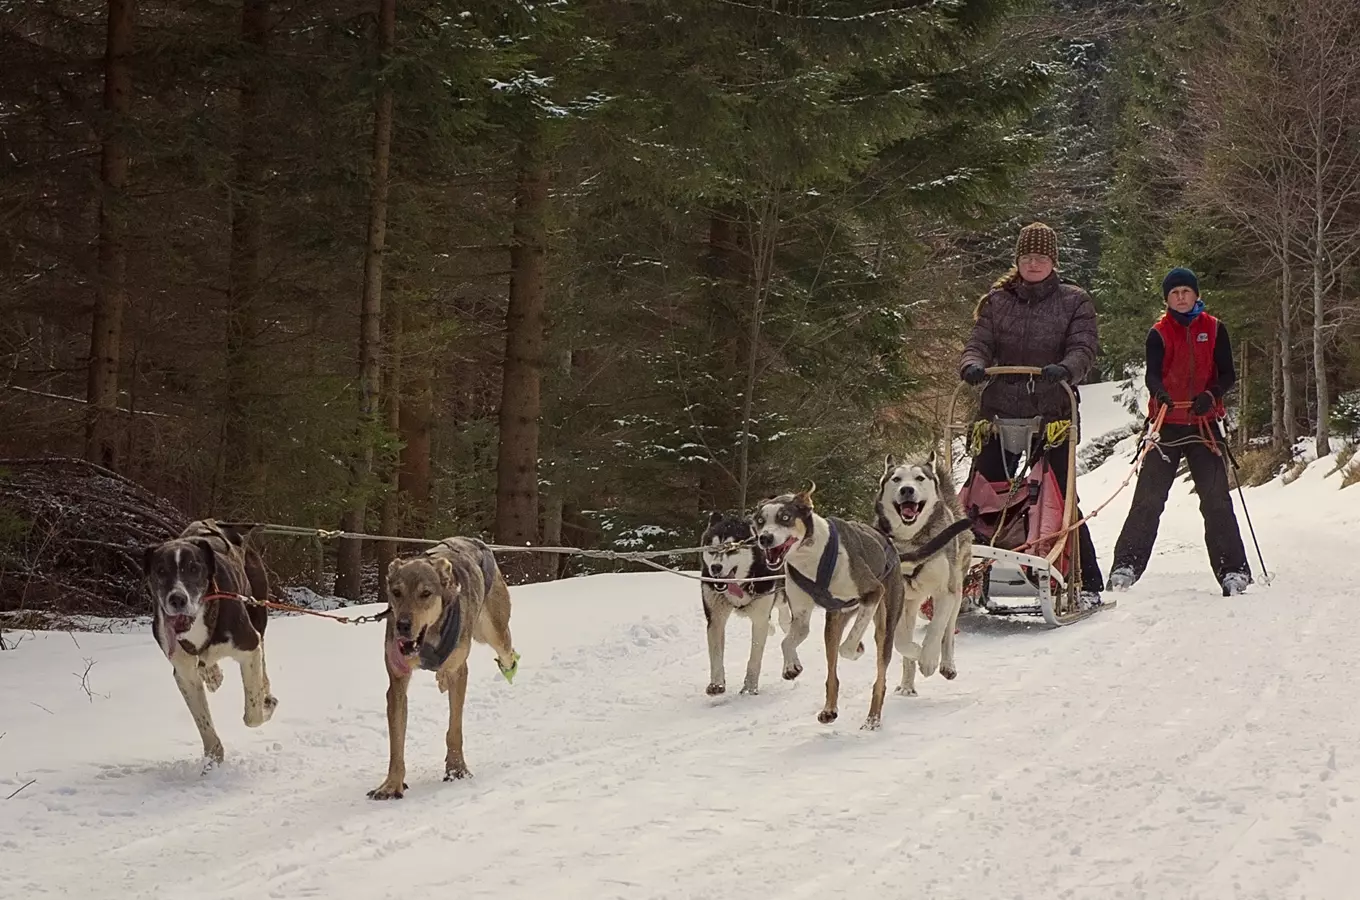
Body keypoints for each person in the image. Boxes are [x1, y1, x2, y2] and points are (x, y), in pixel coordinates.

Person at [958, 221, 1105, 608]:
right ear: (1018, 261)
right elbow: (979, 343)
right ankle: (973, 579)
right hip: (997, 412)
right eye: (1027, 257)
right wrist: (972, 364)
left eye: (1041, 257)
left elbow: (1083, 347)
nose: (1034, 263)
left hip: (1051, 412)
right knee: (983, 497)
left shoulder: (1075, 301)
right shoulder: (996, 302)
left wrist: (1066, 369)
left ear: (1053, 261)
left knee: (1057, 494)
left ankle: (1084, 580)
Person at [1107, 267, 1252, 597]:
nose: (1182, 297)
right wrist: (1160, 395)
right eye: (1175, 293)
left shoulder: (1214, 329)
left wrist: (1211, 394)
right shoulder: (1158, 332)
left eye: (1187, 291)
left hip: (1204, 424)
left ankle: (1233, 569)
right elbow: (1153, 376)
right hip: (1167, 424)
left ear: (1196, 295)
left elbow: (1227, 374)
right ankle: (1125, 565)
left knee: (1216, 499)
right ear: (1167, 299)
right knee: (1148, 498)